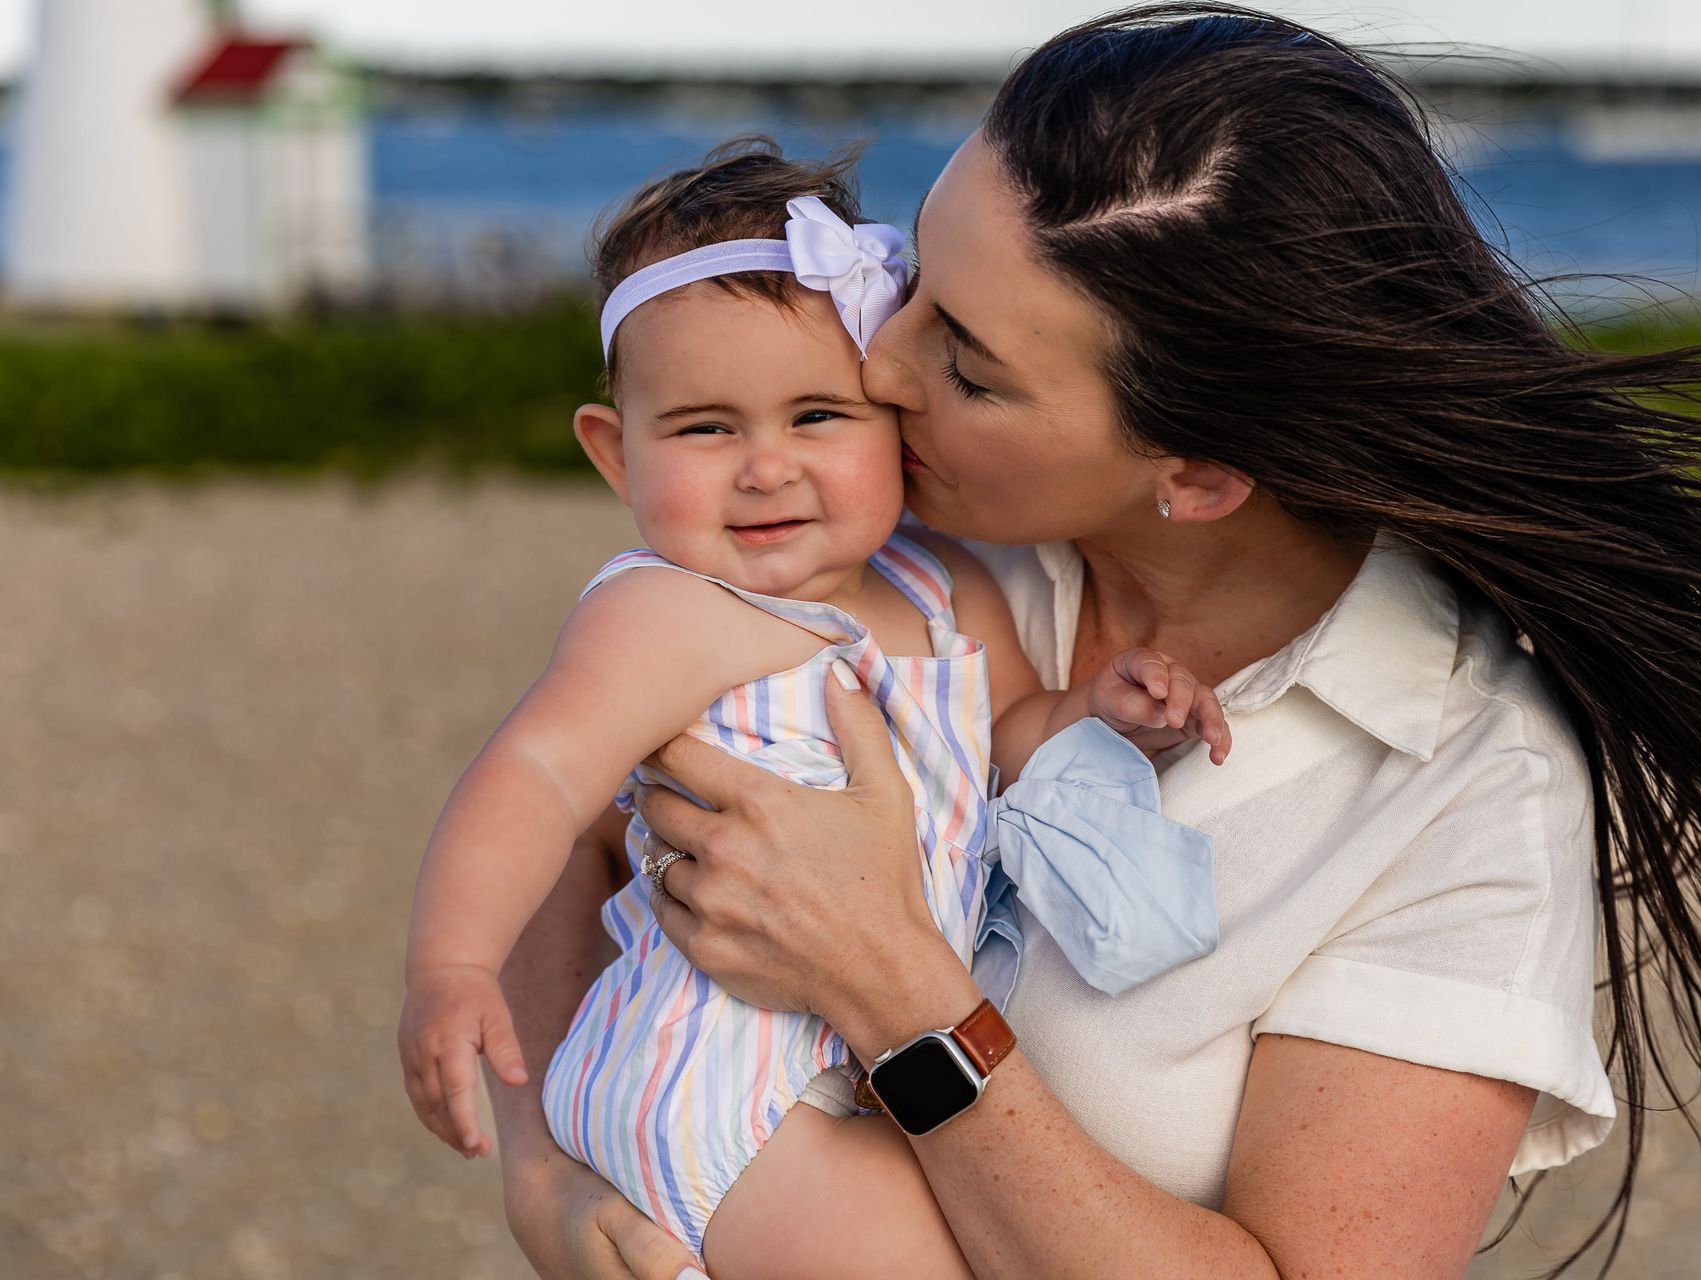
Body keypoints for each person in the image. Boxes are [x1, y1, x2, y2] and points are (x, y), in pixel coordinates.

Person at [487, 7, 1701, 1279]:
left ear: (1199, 471)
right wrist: (551, 1175)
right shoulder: (894, 541)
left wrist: (896, 992)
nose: (873, 365)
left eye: (967, 364)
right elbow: (571, 828)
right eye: (908, 279)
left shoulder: (1459, 783)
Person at [396, 141, 1233, 1275]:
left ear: (895, 421)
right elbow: (536, 778)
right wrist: (450, 964)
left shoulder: (942, 592)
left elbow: (1010, 740)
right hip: (720, 1079)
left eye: (817, 416)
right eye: (704, 427)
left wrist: (1107, 708)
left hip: (839, 1078)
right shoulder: (668, 611)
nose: (765, 466)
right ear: (615, 453)